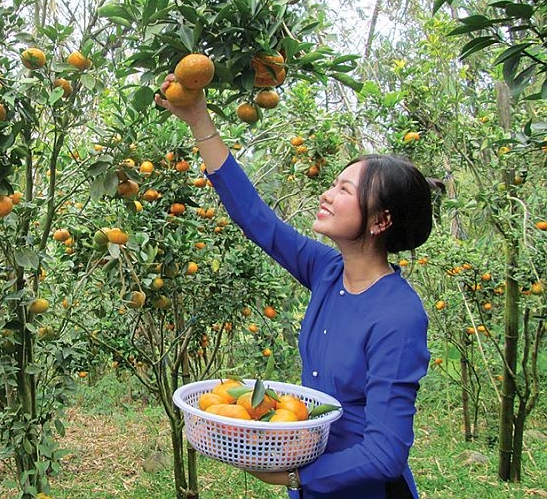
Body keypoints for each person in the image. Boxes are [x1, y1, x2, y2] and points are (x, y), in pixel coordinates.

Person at [156, 85, 442, 499]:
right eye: (334, 183)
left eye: (345, 190)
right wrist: (200, 120)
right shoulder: (328, 271)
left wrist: (296, 477)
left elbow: (385, 454)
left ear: (380, 221)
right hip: (309, 482)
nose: (327, 194)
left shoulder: (397, 315)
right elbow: (257, 219)